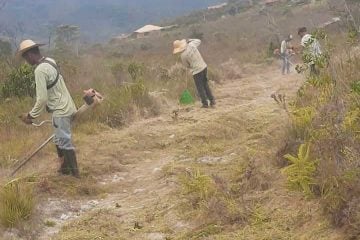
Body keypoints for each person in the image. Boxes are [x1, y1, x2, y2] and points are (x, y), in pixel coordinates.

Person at [18, 39, 79, 177]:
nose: (26, 61)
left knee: (64, 141)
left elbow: (42, 99)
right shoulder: (50, 61)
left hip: (60, 110)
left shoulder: (39, 70)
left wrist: (30, 116)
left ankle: (75, 176)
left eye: (25, 57)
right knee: (58, 139)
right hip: (68, 106)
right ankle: (65, 170)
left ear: (30, 55)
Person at [173, 39, 215, 108]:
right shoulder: (191, 45)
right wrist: (190, 40)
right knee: (205, 84)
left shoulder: (183, 55)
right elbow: (199, 41)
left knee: (200, 88)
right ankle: (212, 100)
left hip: (196, 71)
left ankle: (205, 104)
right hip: (204, 67)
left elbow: (187, 66)